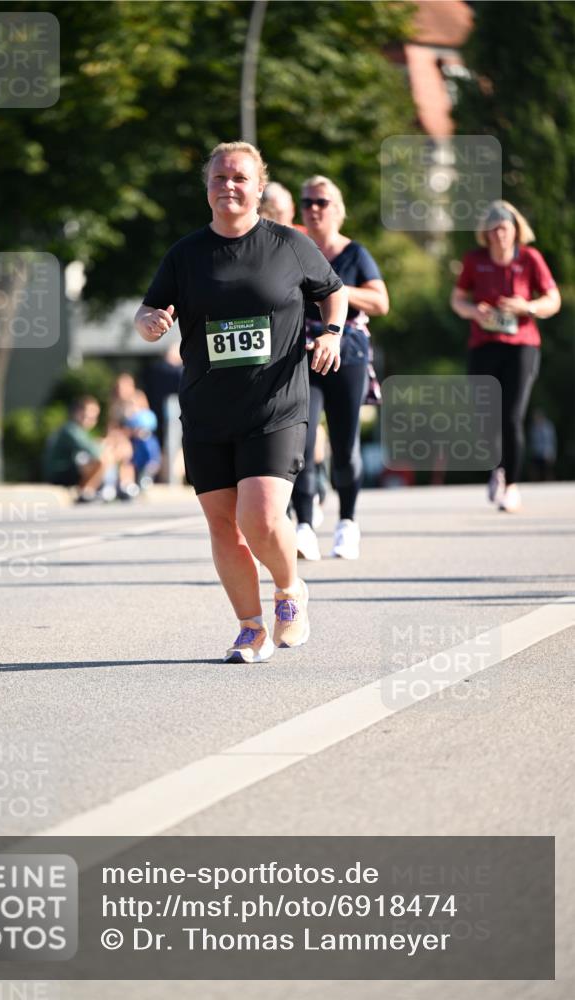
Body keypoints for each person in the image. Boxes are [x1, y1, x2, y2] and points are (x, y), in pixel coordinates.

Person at [134, 141, 347, 663]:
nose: (229, 185)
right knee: (223, 526)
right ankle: (250, 627)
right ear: (208, 187)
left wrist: (333, 332)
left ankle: (290, 590)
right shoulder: (186, 254)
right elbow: (148, 311)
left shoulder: (289, 245)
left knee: (263, 514)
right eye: (220, 177)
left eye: (240, 178)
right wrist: (148, 323)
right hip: (207, 410)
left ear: (257, 187)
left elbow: (332, 290)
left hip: (275, 404)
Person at [291, 176, 389, 561]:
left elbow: (381, 302)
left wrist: (335, 291)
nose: (314, 208)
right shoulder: (294, 249)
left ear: (338, 209)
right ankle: (303, 525)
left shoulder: (355, 253)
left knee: (346, 443)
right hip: (301, 352)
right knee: (301, 440)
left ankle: (347, 522)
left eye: (322, 201)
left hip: (346, 352)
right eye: (307, 202)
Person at [450, 200, 561, 512]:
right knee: (486, 416)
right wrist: (474, 311)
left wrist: (527, 307)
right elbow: (457, 300)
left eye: (504, 228)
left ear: (515, 230)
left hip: (522, 345)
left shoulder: (530, 259)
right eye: (493, 228)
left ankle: (511, 485)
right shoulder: (474, 260)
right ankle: (495, 470)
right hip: (483, 345)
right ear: (485, 233)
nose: (499, 234)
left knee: (511, 415)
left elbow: (553, 299)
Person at [43, 396, 135, 502]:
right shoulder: (70, 429)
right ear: (77, 413)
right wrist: (110, 446)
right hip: (60, 473)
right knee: (103, 460)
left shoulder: (78, 431)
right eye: (87, 416)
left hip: (70, 469)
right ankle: (86, 491)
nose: (91, 420)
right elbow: (95, 452)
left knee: (114, 454)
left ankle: (123, 485)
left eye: (94, 417)